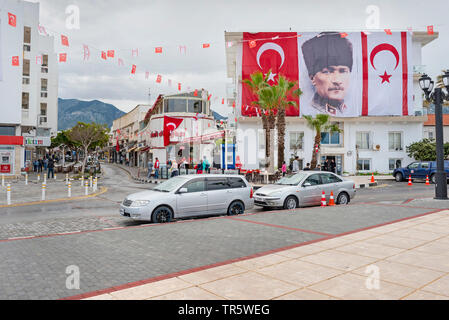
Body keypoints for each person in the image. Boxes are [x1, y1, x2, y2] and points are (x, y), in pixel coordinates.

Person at [301, 32, 353, 116]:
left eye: (343, 71)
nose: (337, 80)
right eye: (327, 72)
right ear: (312, 78)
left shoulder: (351, 110)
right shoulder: (310, 111)